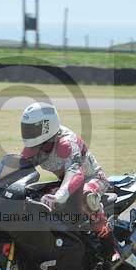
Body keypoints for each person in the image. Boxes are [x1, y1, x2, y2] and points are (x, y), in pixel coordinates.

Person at [18, 102, 118, 256]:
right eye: (26, 128)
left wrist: (59, 195)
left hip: (92, 179)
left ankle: (111, 249)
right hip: (66, 182)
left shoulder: (66, 143)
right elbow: (19, 169)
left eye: (32, 128)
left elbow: (75, 172)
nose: (28, 132)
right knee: (34, 195)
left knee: (87, 196)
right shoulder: (34, 147)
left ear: (47, 127)